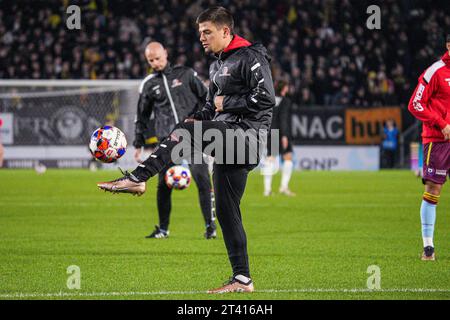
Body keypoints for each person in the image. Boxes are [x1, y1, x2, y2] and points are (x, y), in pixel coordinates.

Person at [97, 6, 275, 293]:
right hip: (225, 141)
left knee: (187, 134)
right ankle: (242, 279)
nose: (202, 38)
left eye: (208, 32)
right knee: (228, 213)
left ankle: (137, 178)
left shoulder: (251, 57)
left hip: (248, 138)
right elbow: (208, 106)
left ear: (226, 31)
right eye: (200, 32)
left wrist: (224, 106)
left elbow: (266, 99)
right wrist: (193, 120)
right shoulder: (217, 64)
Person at [134, 41, 216, 239]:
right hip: (167, 141)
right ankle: (163, 229)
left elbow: (207, 97)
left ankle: (210, 227)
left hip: (193, 136)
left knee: (203, 180)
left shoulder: (186, 74)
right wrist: (138, 144)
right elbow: (142, 116)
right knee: (163, 185)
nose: (155, 63)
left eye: (157, 58)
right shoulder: (148, 84)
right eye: (150, 60)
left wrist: (202, 119)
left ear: (166, 54)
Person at [407, 34, 450, 261]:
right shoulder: (435, 71)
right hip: (438, 140)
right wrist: (441, 123)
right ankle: (428, 248)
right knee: (434, 190)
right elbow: (414, 103)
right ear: (448, 45)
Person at [262, 80, 295, 196]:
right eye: (286, 87)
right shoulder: (285, 101)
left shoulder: (269, 100)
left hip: (271, 132)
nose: (288, 88)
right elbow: (284, 119)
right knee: (288, 158)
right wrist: (285, 135)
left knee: (270, 159)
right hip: (281, 134)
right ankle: (283, 187)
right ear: (283, 88)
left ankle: (267, 189)